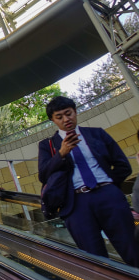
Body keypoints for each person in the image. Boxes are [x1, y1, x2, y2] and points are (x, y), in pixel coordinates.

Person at [38, 96, 138, 267]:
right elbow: (43, 175)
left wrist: (110, 187)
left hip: (108, 196)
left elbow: (123, 165)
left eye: (68, 114)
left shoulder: (97, 133)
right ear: (53, 120)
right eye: (59, 117)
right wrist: (61, 154)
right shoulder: (47, 145)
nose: (66, 119)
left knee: (132, 247)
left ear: (75, 112)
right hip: (76, 204)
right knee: (95, 260)